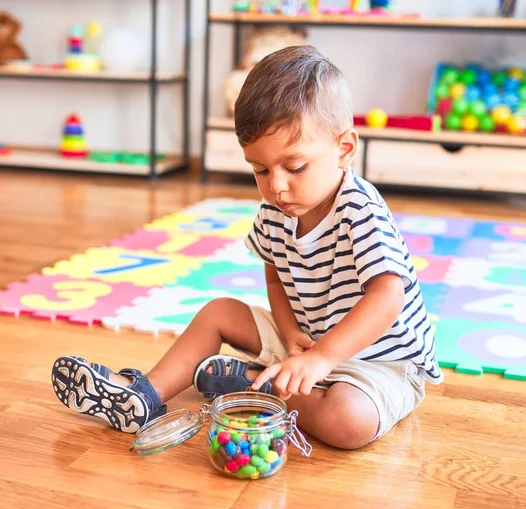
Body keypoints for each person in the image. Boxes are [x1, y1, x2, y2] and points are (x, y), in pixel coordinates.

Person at [51, 45, 443, 449]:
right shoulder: (275, 209)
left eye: (294, 167)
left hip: (379, 360)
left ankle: (258, 385)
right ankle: (146, 394)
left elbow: (387, 297)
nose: (276, 185)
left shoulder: (361, 209)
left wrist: (323, 358)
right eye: (259, 169)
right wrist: (291, 335)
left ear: (344, 149)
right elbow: (276, 277)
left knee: (348, 422)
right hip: (306, 341)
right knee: (218, 312)